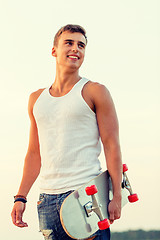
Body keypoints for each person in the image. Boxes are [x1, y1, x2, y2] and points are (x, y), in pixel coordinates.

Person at [11, 24, 122, 240]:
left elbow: (112, 145)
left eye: (81, 45)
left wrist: (116, 194)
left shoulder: (95, 91)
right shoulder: (36, 99)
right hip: (47, 202)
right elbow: (34, 153)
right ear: (54, 50)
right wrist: (21, 197)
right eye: (69, 43)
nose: (76, 49)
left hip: (86, 196)